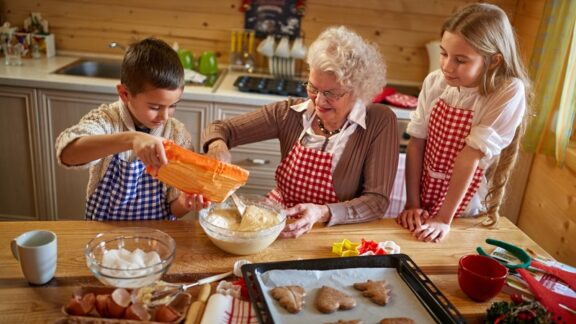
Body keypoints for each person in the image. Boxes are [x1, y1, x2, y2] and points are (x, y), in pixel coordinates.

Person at [204, 26, 398, 238]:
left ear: (357, 90)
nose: (319, 101)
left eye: (331, 94)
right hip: (279, 224)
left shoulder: (379, 121)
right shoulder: (290, 113)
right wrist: (217, 147)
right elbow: (220, 129)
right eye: (313, 88)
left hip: (333, 235)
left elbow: (376, 202)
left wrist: (321, 212)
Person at [397, 3, 532, 242]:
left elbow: (470, 156)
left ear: (493, 61)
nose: (447, 66)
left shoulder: (507, 91)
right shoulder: (435, 83)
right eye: (444, 53)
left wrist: (443, 218)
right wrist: (412, 204)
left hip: (461, 208)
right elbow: (417, 143)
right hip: (423, 192)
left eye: (460, 60)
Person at [56, 37, 209, 220]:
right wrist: (132, 139)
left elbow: (173, 209)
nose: (165, 116)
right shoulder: (107, 120)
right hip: (105, 234)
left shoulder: (177, 134)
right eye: (155, 107)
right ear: (125, 94)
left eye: (173, 105)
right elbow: (67, 154)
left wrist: (186, 203)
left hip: (156, 237)